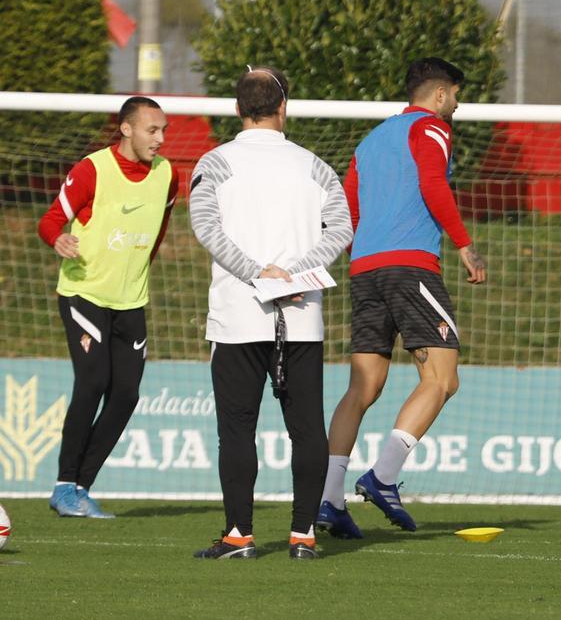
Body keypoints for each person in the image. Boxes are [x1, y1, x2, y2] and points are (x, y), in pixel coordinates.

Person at [317, 57, 486, 539]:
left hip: (365, 269)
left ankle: (330, 498)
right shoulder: (432, 128)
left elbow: (348, 208)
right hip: (409, 266)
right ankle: (384, 476)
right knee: (443, 377)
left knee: (362, 387)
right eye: (455, 95)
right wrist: (464, 244)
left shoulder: (369, 142)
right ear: (438, 95)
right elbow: (434, 185)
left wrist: (363, 257)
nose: (456, 104)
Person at [190, 66, 352, 559]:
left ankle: (239, 536)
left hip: (238, 317)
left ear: (239, 109)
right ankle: (304, 536)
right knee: (307, 429)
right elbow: (341, 229)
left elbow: (205, 227)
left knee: (236, 430)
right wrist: (293, 273)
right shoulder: (314, 165)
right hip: (300, 315)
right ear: (284, 107)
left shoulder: (215, 162)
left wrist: (258, 273)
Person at [38, 96, 178, 519]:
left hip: (130, 300)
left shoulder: (167, 175)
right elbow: (49, 220)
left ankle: (81, 486)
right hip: (84, 294)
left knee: (126, 394)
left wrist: (136, 269)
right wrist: (57, 239)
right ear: (127, 129)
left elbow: (159, 231)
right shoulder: (91, 169)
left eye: (164, 130)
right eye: (152, 130)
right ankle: (64, 485)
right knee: (94, 380)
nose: (160, 138)